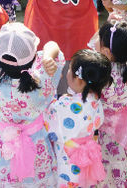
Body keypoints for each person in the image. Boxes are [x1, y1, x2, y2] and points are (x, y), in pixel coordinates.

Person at [0, 23, 65, 186]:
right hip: (36, 141)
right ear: (35, 57)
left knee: (6, 177)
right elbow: (52, 46)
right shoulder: (43, 78)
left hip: (4, 142)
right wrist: (47, 57)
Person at [45, 49, 111, 187]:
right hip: (87, 155)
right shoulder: (96, 102)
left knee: (67, 181)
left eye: (69, 69)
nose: (67, 72)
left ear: (79, 80)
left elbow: (49, 123)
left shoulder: (65, 105)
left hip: (68, 156)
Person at [94, 21, 127, 187]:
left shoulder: (103, 74)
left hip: (108, 133)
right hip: (123, 128)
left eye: (98, 39)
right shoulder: (124, 65)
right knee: (119, 169)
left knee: (105, 170)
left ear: (107, 52)